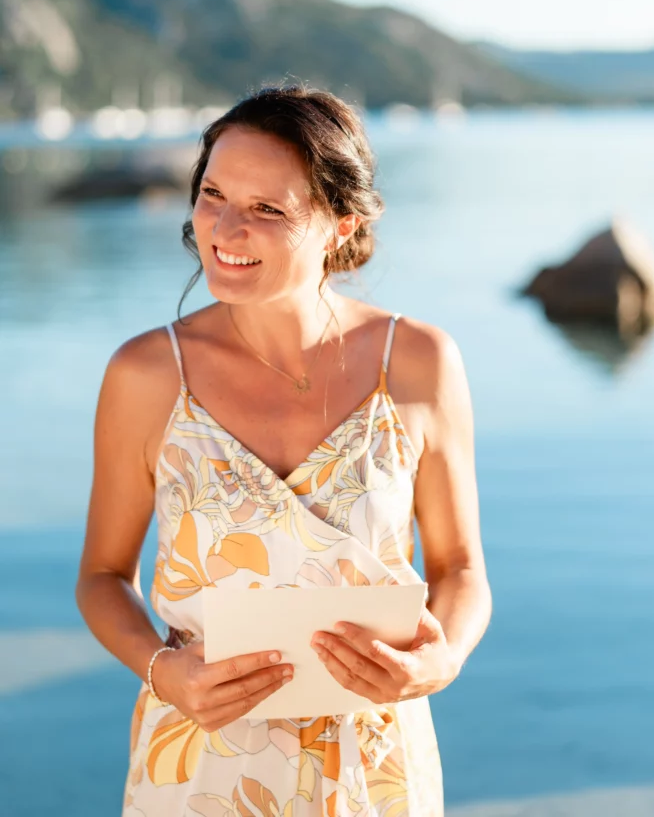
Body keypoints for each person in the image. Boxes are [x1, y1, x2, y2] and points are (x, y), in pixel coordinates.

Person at [75, 84, 492, 817]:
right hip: (201, 769)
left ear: (340, 224)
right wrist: (161, 671)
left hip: (375, 766)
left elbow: (460, 570)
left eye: (268, 209)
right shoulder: (145, 375)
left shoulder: (419, 361)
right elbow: (104, 576)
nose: (225, 229)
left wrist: (440, 660)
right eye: (212, 194)